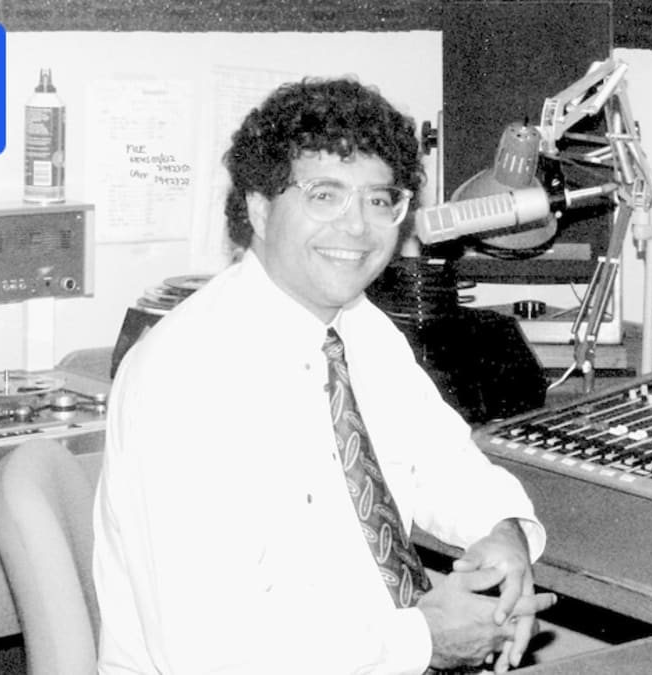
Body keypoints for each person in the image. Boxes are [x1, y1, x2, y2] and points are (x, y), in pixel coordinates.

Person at [92, 77, 556, 674]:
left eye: (379, 199)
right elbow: (208, 652)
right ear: (259, 209)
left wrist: (502, 534)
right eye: (324, 196)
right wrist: (423, 642)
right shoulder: (185, 380)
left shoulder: (358, 327)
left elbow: (440, 460)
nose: (358, 227)